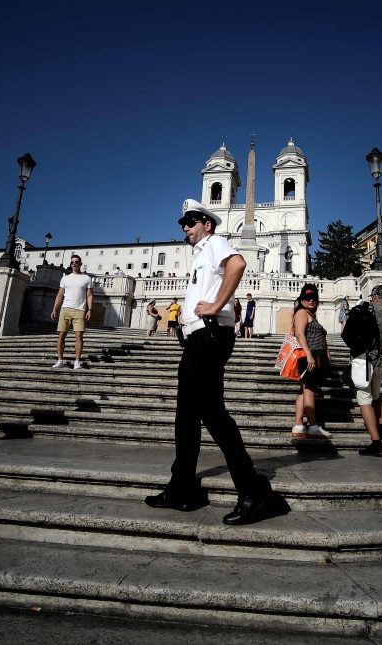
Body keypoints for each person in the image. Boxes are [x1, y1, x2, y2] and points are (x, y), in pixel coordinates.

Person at [145, 198, 289, 526]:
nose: (185, 226)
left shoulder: (215, 243)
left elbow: (237, 265)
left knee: (212, 414)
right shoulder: (200, 252)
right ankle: (183, 486)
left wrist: (215, 305)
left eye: (191, 221)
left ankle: (255, 491)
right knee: (187, 415)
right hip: (198, 338)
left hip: (210, 336)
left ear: (207, 224)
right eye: (183, 222)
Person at [344, 284, 382, 457]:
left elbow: (348, 331)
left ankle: (376, 443)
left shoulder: (365, 308)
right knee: (376, 394)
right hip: (380, 361)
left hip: (363, 358)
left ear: (374, 295)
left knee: (364, 397)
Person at [291, 284, 332, 440]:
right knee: (309, 390)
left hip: (314, 357)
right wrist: (309, 355)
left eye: (314, 298)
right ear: (301, 300)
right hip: (309, 357)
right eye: (307, 298)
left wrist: (326, 352)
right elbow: (300, 335)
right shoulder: (302, 313)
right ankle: (313, 427)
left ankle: (298, 426)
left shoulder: (309, 314)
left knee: (304, 390)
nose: (311, 300)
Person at [51, 254, 94, 369]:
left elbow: (89, 295)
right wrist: (55, 308)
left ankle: (77, 361)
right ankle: (60, 360)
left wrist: (89, 309)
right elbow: (60, 295)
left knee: (79, 336)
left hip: (79, 310)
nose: (74, 263)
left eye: (76, 262)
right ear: (71, 264)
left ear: (80, 263)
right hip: (65, 309)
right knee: (61, 335)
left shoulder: (86, 278)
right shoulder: (65, 278)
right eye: (72, 262)